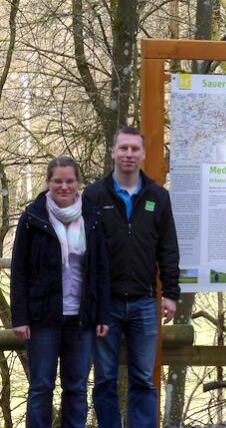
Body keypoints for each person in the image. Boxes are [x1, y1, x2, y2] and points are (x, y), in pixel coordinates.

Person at [83, 126, 180, 428]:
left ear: (143, 154)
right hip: (105, 306)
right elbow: (83, 252)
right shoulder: (93, 196)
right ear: (112, 152)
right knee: (105, 380)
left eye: (134, 149)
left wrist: (171, 294)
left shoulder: (158, 197)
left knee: (143, 380)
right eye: (123, 148)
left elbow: (168, 248)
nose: (128, 154)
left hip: (144, 303)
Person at [10, 156, 110, 428]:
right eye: (58, 181)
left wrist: (102, 315)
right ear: (48, 182)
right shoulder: (32, 218)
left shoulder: (92, 217)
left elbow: (101, 270)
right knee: (41, 387)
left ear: (79, 183)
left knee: (76, 388)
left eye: (69, 181)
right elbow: (19, 270)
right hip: (43, 318)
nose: (63, 186)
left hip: (82, 319)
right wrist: (20, 318)